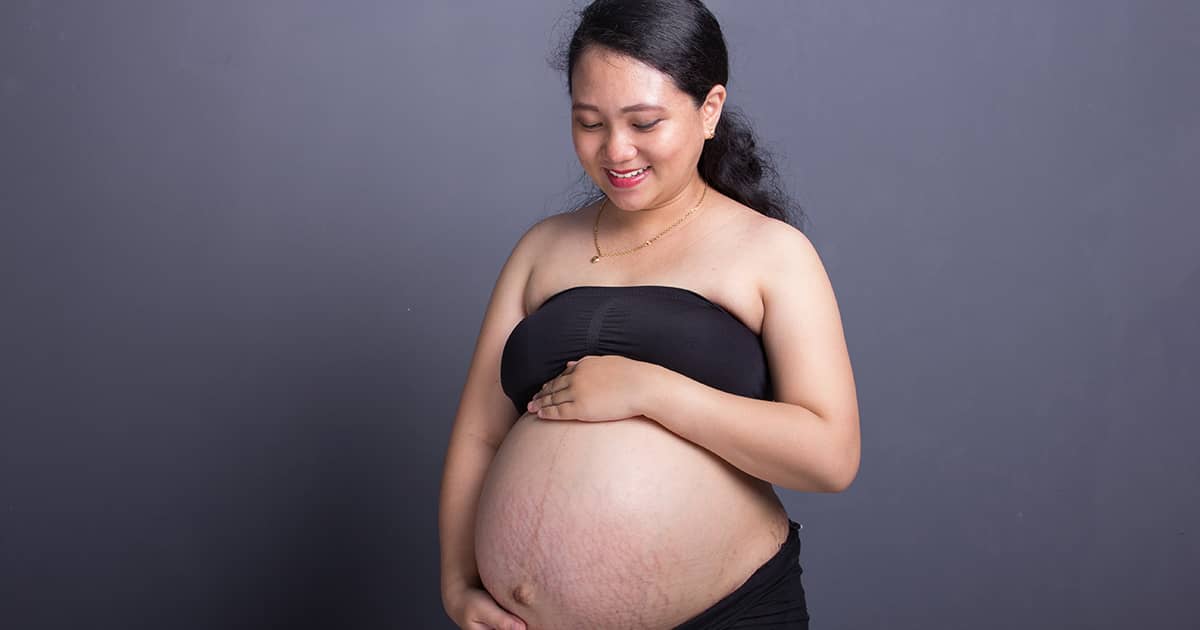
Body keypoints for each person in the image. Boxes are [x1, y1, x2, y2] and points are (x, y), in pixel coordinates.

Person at [439, 1, 860, 628]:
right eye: (589, 122)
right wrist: (456, 584)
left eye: (644, 122)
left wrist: (650, 390)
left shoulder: (770, 252)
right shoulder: (541, 248)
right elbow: (478, 434)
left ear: (709, 110)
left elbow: (830, 456)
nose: (616, 149)